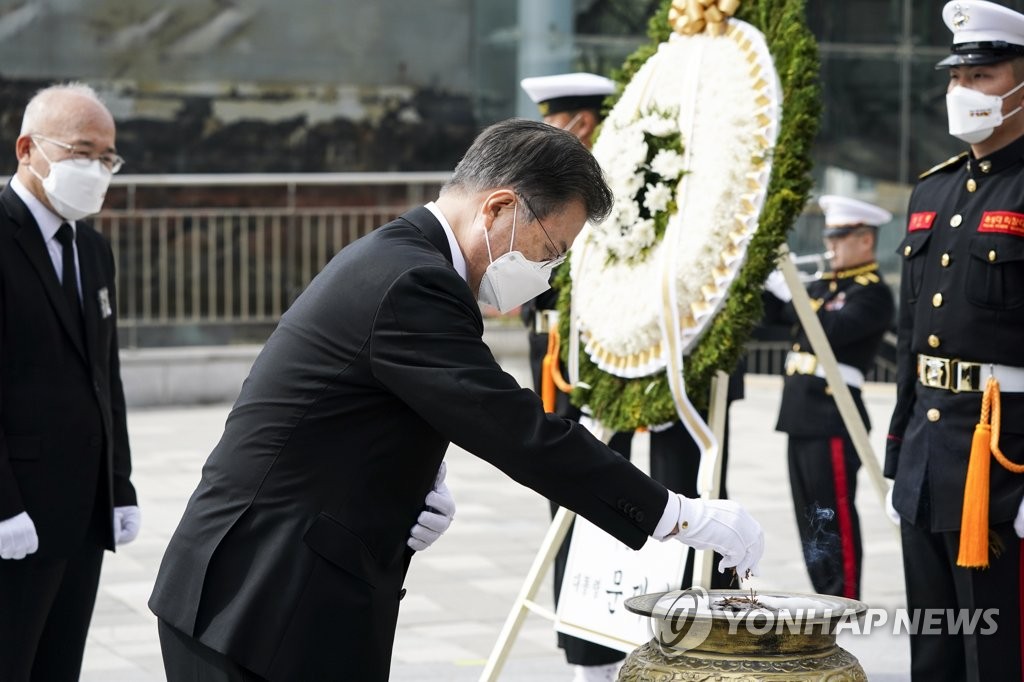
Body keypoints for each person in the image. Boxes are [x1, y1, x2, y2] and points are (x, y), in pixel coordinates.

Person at [148, 118, 765, 682]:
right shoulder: (415, 279)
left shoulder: (401, 256)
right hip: (261, 598)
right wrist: (678, 515)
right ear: (499, 208)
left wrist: (414, 478)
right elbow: (514, 427)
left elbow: (366, 402)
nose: (546, 274)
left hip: (278, 585)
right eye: (549, 252)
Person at [886, 2, 1024, 679]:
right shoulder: (930, 192)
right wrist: (897, 454)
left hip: (1006, 461)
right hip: (929, 458)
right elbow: (914, 336)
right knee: (934, 646)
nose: (963, 92)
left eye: (985, 75)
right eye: (956, 78)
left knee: (997, 651)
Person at [0, 83, 140, 681]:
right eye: (82, 151)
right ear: (27, 149)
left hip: (81, 512)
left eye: (106, 157)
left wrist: (120, 483)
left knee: (60, 667)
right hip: (15, 513)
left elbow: (104, 375)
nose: (96, 170)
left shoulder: (93, 246)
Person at [520, 72, 636, 682]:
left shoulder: (608, 190)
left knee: (606, 499)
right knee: (563, 506)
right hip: (554, 374)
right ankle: (583, 654)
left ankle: (607, 652)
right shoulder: (544, 188)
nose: (546, 134)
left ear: (582, 124)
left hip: (600, 372)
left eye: (554, 122)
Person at [765, 195, 894, 600]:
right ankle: (823, 593)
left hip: (833, 414)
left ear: (865, 241)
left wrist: (793, 296)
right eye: (829, 236)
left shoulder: (872, 293)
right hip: (801, 413)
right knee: (810, 517)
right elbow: (775, 317)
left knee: (832, 512)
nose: (831, 244)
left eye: (840, 237)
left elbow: (829, 331)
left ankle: (844, 596)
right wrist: (767, 282)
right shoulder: (823, 285)